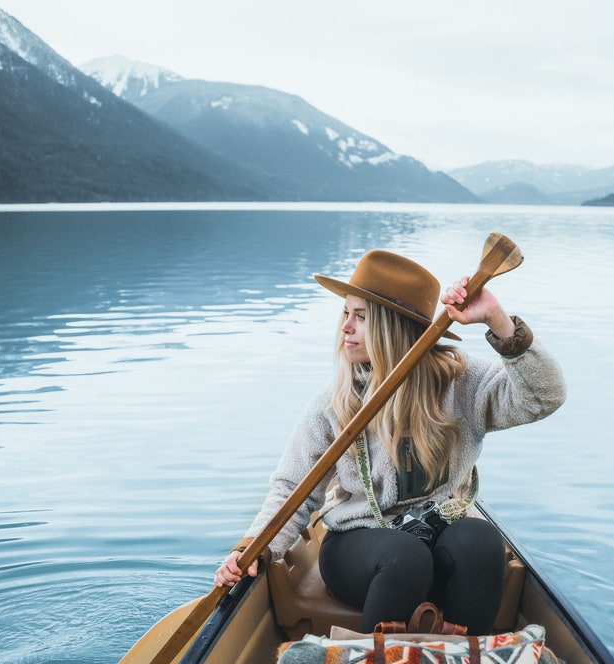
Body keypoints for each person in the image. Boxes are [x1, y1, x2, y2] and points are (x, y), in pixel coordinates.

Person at [214, 248, 566, 634]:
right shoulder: (333, 404)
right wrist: (255, 548)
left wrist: (498, 320)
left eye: (361, 317)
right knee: (405, 556)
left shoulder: (461, 382)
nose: (346, 327)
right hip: (361, 548)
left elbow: (542, 396)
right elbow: (293, 489)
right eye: (345, 314)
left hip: (437, 534)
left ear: (394, 327)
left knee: (481, 541)